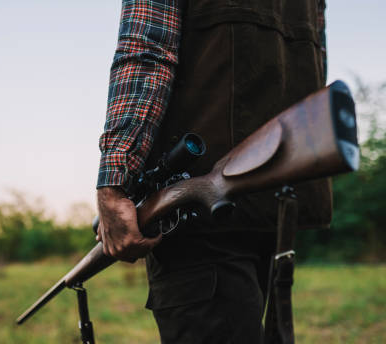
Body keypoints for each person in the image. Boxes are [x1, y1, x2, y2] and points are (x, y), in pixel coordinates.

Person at [96, 0, 331, 342]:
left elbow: (146, 50)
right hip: (275, 203)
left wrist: (114, 180)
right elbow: (314, 65)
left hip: (196, 213)